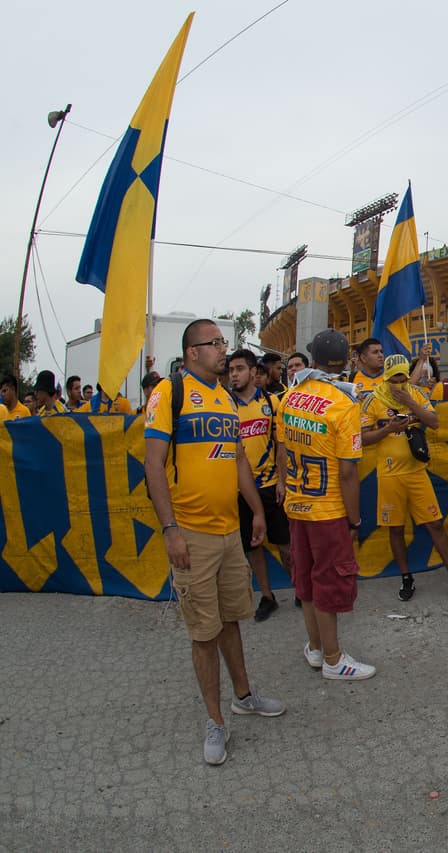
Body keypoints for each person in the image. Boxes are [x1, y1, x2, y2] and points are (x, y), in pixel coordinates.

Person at [143, 319, 284, 765]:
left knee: (230, 620)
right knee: (203, 633)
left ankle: (243, 695)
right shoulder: (170, 393)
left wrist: (257, 511)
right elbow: (153, 464)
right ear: (191, 353)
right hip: (192, 534)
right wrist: (171, 530)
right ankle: (215, 720)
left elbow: (239, 458)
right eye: (215, 343)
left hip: (228, 532)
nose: (223, 350)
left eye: (224, 342)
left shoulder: (225, 398)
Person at [277, 328, 376, 680]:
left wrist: (283, 484)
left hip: (297, 504)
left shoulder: (290, 397)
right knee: (328, 582)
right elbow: (348, 472)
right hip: (329, 509)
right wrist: (354, 520)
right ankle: (334, 659)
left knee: (305, 581)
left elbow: (284, 448)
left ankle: (317, 649)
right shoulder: (343, 404)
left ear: (314, 359)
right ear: (344, 362)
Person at [359, 353, 448, 601]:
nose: (398, 382)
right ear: (386, 378)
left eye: (402, 377)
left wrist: (411, 402)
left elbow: (434, 422)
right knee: (396, 529)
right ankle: (406, 578)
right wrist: (387, 429)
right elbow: (362, 438)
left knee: (436, 524)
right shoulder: (372, 400)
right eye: (394, 378)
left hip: (417, 473)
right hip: (388, 476)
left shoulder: (416, 393)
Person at [226, 349, 293, 621]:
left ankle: (301, 589)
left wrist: (282, 479)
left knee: (286, 546)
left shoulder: (271, 402)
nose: (234, 374)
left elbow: (281, 444)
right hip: (240, 490)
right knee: (253, 548)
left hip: (270, 486)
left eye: (239, 369)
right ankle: (267, 596)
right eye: (231, 370)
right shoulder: (224, 405)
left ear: (254, 372)